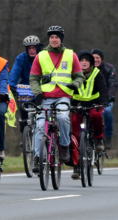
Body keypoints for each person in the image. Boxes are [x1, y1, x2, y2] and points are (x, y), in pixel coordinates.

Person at [30, 25, 84, 173]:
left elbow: (79, 76)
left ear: (61, 39)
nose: (54, 40)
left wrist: (75, 85)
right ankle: (37, 157)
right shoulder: (40, 56)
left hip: (63, 96)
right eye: (52, 37)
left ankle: (65, 147)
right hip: (45, 98)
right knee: (40, 125)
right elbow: (33, 79)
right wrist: (38, 94)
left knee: (62, 117)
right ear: (49, 39)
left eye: (57, 37)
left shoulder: (70, 55)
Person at [70, 50, 108, 178]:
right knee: (75, 134)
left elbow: (103, 89)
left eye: (87, 61)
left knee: (96, 116)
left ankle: (99, 139)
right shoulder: (73, 74)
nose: (84, 63)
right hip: (78, 105)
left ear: (91, 63)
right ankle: (76, 166)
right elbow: (68, 90)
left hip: (94, 104)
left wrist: (104, 101)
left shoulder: (97, 74)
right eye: (82, 61)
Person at [9, 35, 42, 141]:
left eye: (34, 48)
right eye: (29, 48)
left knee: (43, 113)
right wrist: (11, 85)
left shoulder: (43, 57)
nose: (32, 50)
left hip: (40, 89)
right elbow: (15, 72)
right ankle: (24, 132)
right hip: (26, 89)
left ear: (37, 48)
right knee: (24, 112)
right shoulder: (21, 58)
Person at [91, 49, 117, 150]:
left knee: (107, 112)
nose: (95, 60)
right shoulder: (86, 68)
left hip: (105, 98)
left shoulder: (109, 68)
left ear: (102, 59)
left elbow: (113, 83)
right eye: (93, 58)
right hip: (90, 98)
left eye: (98, 58)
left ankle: (108, 136)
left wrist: (109, 96)